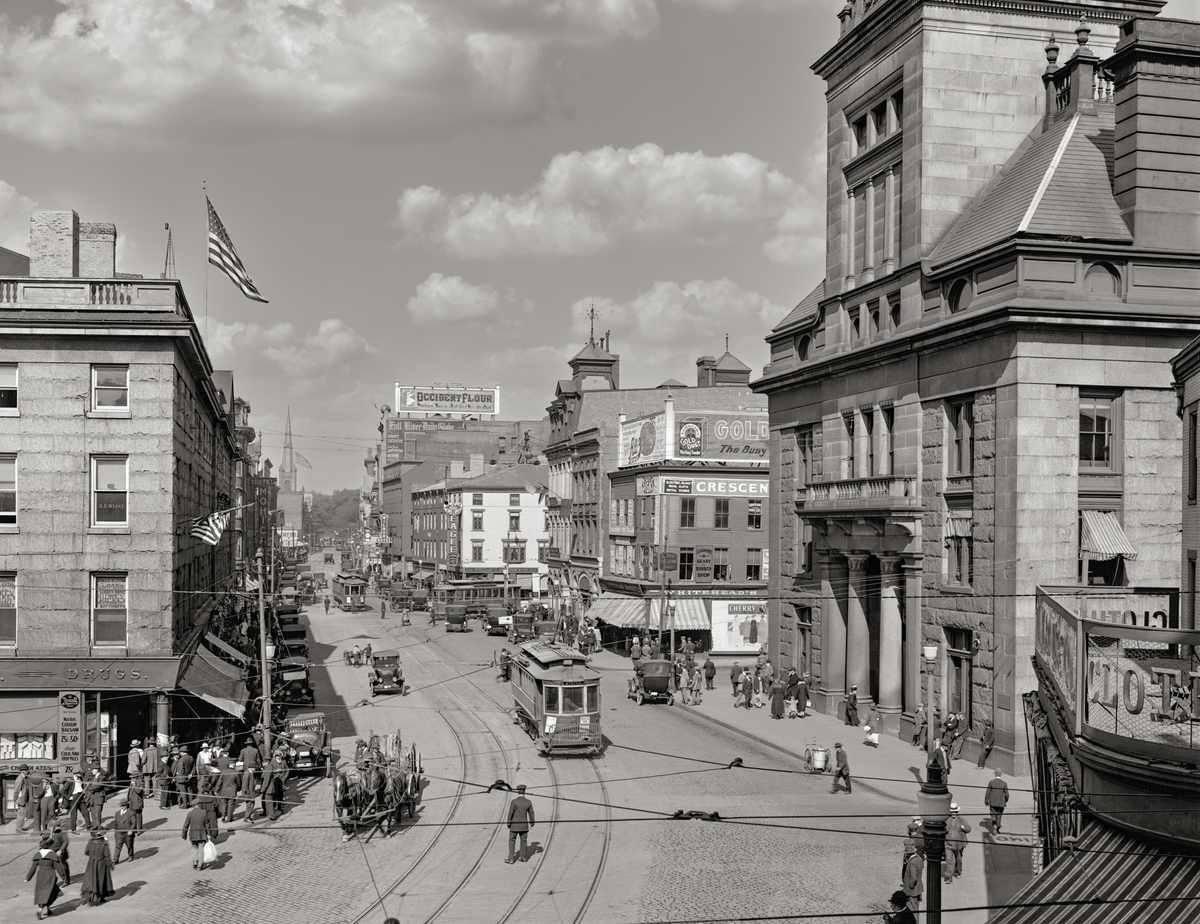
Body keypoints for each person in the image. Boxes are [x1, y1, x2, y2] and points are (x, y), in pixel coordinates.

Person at [25, 833, 67, 921]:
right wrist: (63, 877)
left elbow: (33, 868)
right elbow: (58, 867)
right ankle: (40, 910)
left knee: (42, 893)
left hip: (40, 875)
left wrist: (28, 878)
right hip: (50, 875)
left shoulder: (38, 855)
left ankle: (48, 909)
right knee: (51, 892)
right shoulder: (52, 855)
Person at [80, 828, 115, 906]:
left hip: (91, 863)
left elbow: (86, 852)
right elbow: (107, 856)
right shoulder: (104, 844)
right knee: (101, 880)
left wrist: (93, 856)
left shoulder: (90, 842)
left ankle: (90, 897)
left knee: (90, 879)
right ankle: (99, 898)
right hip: (101, 864)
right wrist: (110, 865)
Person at [182, 796, 216, 870]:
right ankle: (200, 865)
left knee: (194, 848)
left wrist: (184, 835)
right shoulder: (204, 812)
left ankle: (195, 861)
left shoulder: (189, 814)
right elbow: (207, 824)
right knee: (201, 849)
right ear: (199, 804)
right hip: (201, 834)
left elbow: (185, 825)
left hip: (193, 835)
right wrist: (208, 833)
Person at [505, 783, 535, 864]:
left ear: (518, 791)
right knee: (524, 841)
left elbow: (510, 813)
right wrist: (532, 822)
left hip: (514, 826)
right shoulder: (528, 802)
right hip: (524, 826)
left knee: (512, 840)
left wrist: (508, 823)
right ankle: (524, 858)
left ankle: (511, 858)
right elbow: (531, 813)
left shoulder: (514, 802)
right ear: (524, 791)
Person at [944, 803, 971, 881]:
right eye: (952, 812)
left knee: (958, 860)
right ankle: (949, 876)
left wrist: (963, 827)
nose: (953, 814)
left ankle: (958, 872)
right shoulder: (946, 819)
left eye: (955, 812)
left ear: (957, 812)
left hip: (959, 845)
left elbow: (968, 829)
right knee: (949, 860)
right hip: (948, 844)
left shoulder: (961, 819)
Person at [239, 738, 261, 822]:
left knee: (249, 782)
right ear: (252, 743)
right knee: (250, 782)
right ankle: (247, 816)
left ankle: (248, 815)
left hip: (246, 769)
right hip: (252, 769)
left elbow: (240, 759)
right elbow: (258, 760)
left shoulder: (243, 750)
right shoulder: (255, 750)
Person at [113, 798, 137, 863]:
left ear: (127, 806)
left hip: (127, 833)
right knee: (118, 847)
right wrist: (115, 830)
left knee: (129, 845)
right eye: (122, 805)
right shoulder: (117, 813)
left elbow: (134, 822)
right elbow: (115, 822)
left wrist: (131, 830)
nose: (123, 807)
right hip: (119, 833)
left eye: (124, 805)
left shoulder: (131, 813)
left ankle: (130, 856)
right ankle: (115, 859)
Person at [902, 840, 923, 912]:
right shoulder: (919, 859)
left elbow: (913, 878)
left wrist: (909, 887)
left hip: (913, 891)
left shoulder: (912, 863)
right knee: (916, 908)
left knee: (912, 911)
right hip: (918, 889)